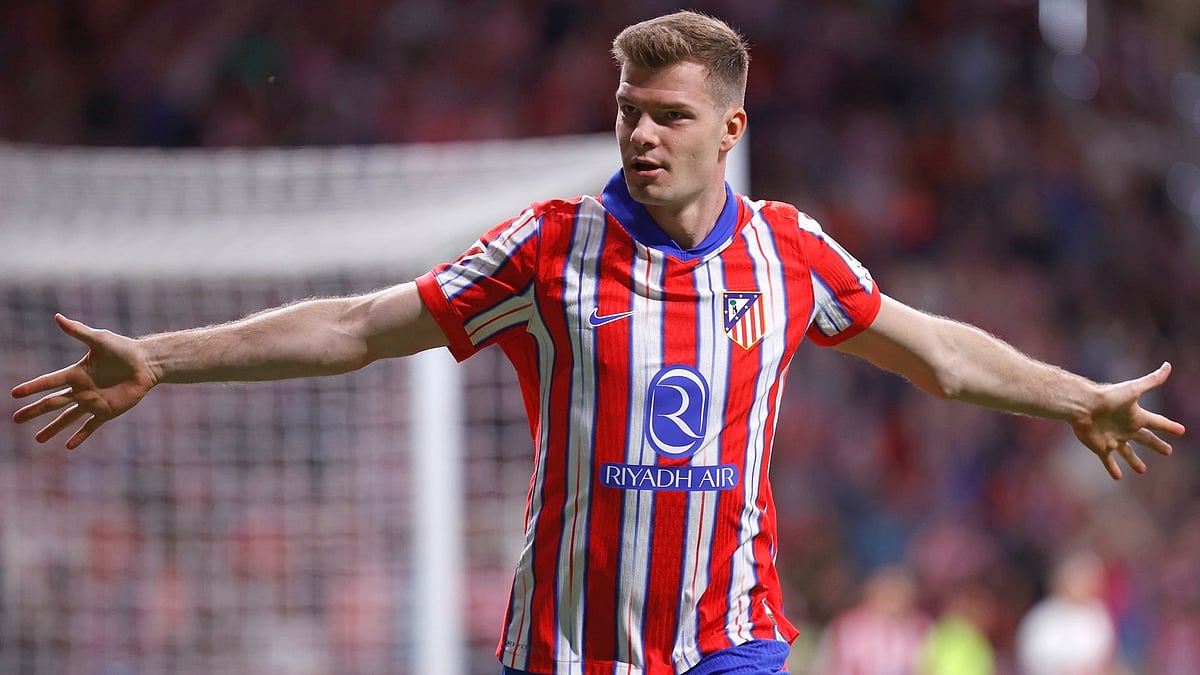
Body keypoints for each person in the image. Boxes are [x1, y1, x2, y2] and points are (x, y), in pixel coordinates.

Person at [9, 10, 1186, 675]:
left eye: (671, 115)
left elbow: (939, 356)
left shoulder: (789, 253)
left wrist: (1073, 396)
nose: (642, 135)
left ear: (730, 128)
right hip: (566, 652)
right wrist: (162, 357)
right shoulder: (548, 248)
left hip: (731, 643)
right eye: (628, 112)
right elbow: (359, 327)